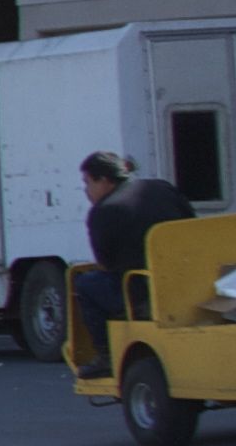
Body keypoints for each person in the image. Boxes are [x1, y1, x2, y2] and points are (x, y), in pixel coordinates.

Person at [75, 150, 188, 381]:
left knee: (85, 283)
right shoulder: (162, 188)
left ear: (103, 180)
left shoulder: (103, 212)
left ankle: (106, 356)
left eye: (87, 183)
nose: (86, 191)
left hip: (141, 292)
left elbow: (105, 264)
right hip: (185, 279)